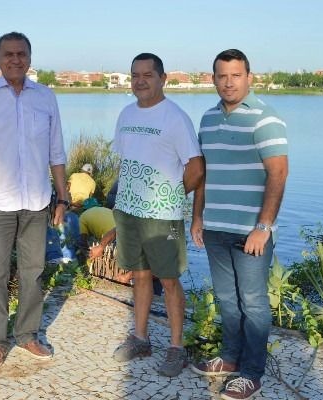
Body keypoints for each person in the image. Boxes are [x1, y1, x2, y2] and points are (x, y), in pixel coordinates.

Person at [0, 32, 68, 369]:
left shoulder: (46, 97)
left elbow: (56, 152)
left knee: (33, 271)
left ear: (30, 59)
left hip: (37, 202)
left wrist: (63, 198)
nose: (15, 59)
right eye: (8, 54)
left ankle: (27, 334)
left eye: (21, 54)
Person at [190, 49, 288, 400]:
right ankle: (230, 357)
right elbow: (204, 174)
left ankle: (251, 373)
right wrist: (197, 217)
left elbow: (279, 173)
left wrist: (264, 226)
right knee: (227, 299)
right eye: (222, 76)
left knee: (253, 301)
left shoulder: (265, 118)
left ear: (249, 77)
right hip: (215, 226)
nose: (228, 82)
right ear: (213, 79)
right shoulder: (208, 119)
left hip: (251, 232)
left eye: (236, 75)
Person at [111, 53, 204, 377]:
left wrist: (173, 197)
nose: (140, 81)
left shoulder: (175, 118)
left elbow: (196, 168)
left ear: (162, 79)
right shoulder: (125, 114)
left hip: (164, 217)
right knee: (139, 275)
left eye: (147, 75)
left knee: (169, 279)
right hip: (129, 212)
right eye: (135, 75)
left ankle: (177, 348)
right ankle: (141, 338)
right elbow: (125, 161)